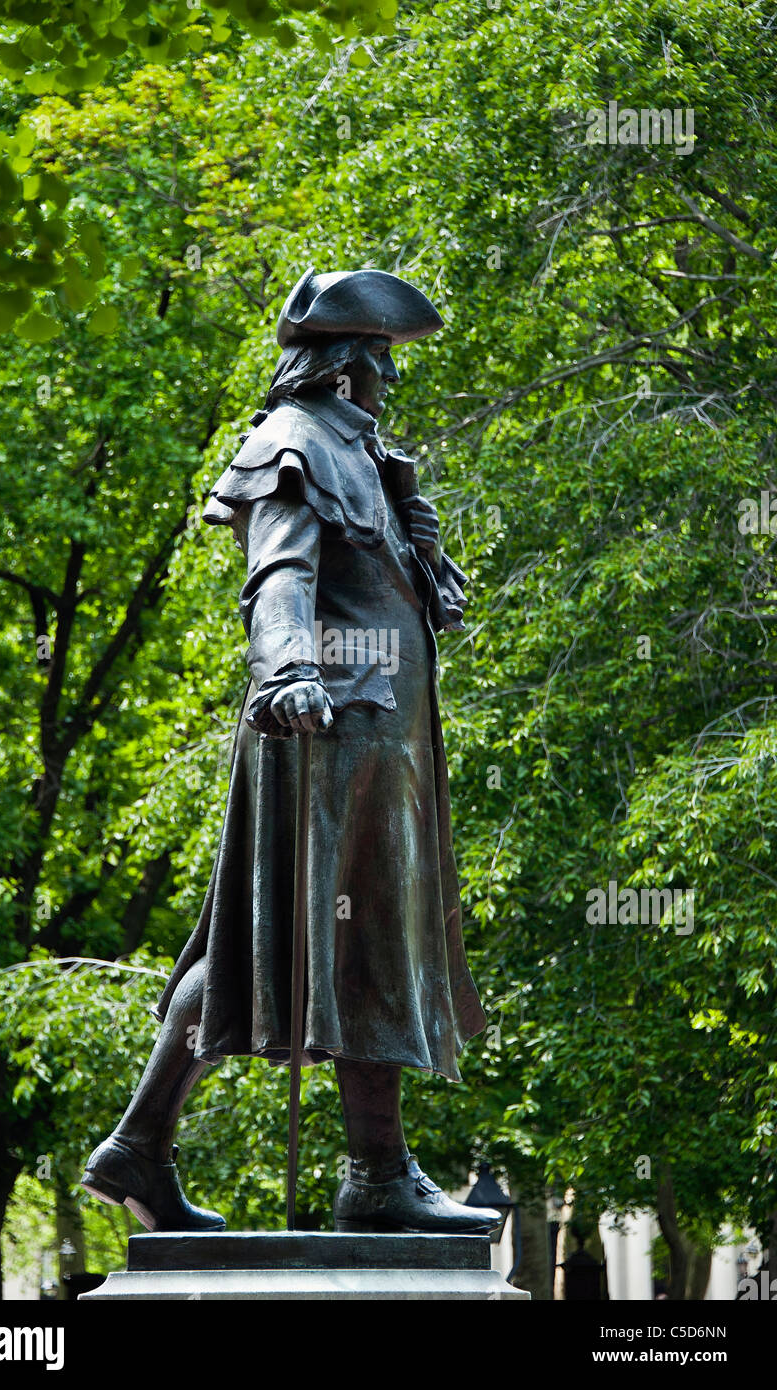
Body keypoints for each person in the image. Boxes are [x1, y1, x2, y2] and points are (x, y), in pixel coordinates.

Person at [82, 268, 500, 1235]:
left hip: (378, 734)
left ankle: (139, 1149)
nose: (389, 383)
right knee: (355, 937)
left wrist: (426, 556)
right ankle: (377, 1177)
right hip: (329, 731)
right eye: (382, 365)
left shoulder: (370, 458)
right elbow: (278, 574)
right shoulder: (293, 446)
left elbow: (390, 591)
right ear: (348, 367)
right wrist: (284, 673)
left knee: (267, 943)